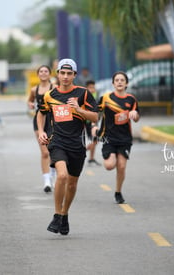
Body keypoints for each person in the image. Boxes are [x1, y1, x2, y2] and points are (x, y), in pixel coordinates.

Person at [37, 58, 98, 235]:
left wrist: (79, 110)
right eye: (62, 73)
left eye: (69, 73)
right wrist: (41, 131)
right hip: (57, 142)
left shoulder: (83, 93)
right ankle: (57, 215)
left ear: (74, 75)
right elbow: (41, 114)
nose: (65, 76)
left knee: (71, 184)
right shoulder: (50, 95)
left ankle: (64, 215)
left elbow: (95, 117)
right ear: (58, 74)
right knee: (61, 176)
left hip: (77, 145)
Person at [94, 71, 140, 204]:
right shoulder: (106, 98)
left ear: (126, 83)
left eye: (122, 80)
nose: (119, 82)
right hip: (109, 137)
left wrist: (134, 113)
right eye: (117, 80)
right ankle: (110, 156)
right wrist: (93, 126)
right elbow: (95, 113)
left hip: (125, 138)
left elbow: (136, 118)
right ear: (113, 83)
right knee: (109, 165)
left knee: (121, 166)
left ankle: (118, 192)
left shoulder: (131, 99)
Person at [27, 65, 56, 193]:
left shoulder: (54, 88)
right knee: (44, 152)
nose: (43, 73)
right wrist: (30, 104)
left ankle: (53, 174)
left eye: (46, 71)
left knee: (53, 151)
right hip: (39, 121)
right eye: (41, 71)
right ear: (38, 74)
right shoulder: (34, 89)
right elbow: (29, 101)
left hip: (53, 120)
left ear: (49, 74)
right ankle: (47, 181)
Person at [85, 80, 100, 166]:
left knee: (95, 140)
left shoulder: (97, 96)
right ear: (86, 88)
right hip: (88, 122)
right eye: (90, 87)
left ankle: (91, 158)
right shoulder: (84, 96)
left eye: (93, 87)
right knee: (95, 139)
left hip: (95, 121)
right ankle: (83, 152)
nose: (91, 89)